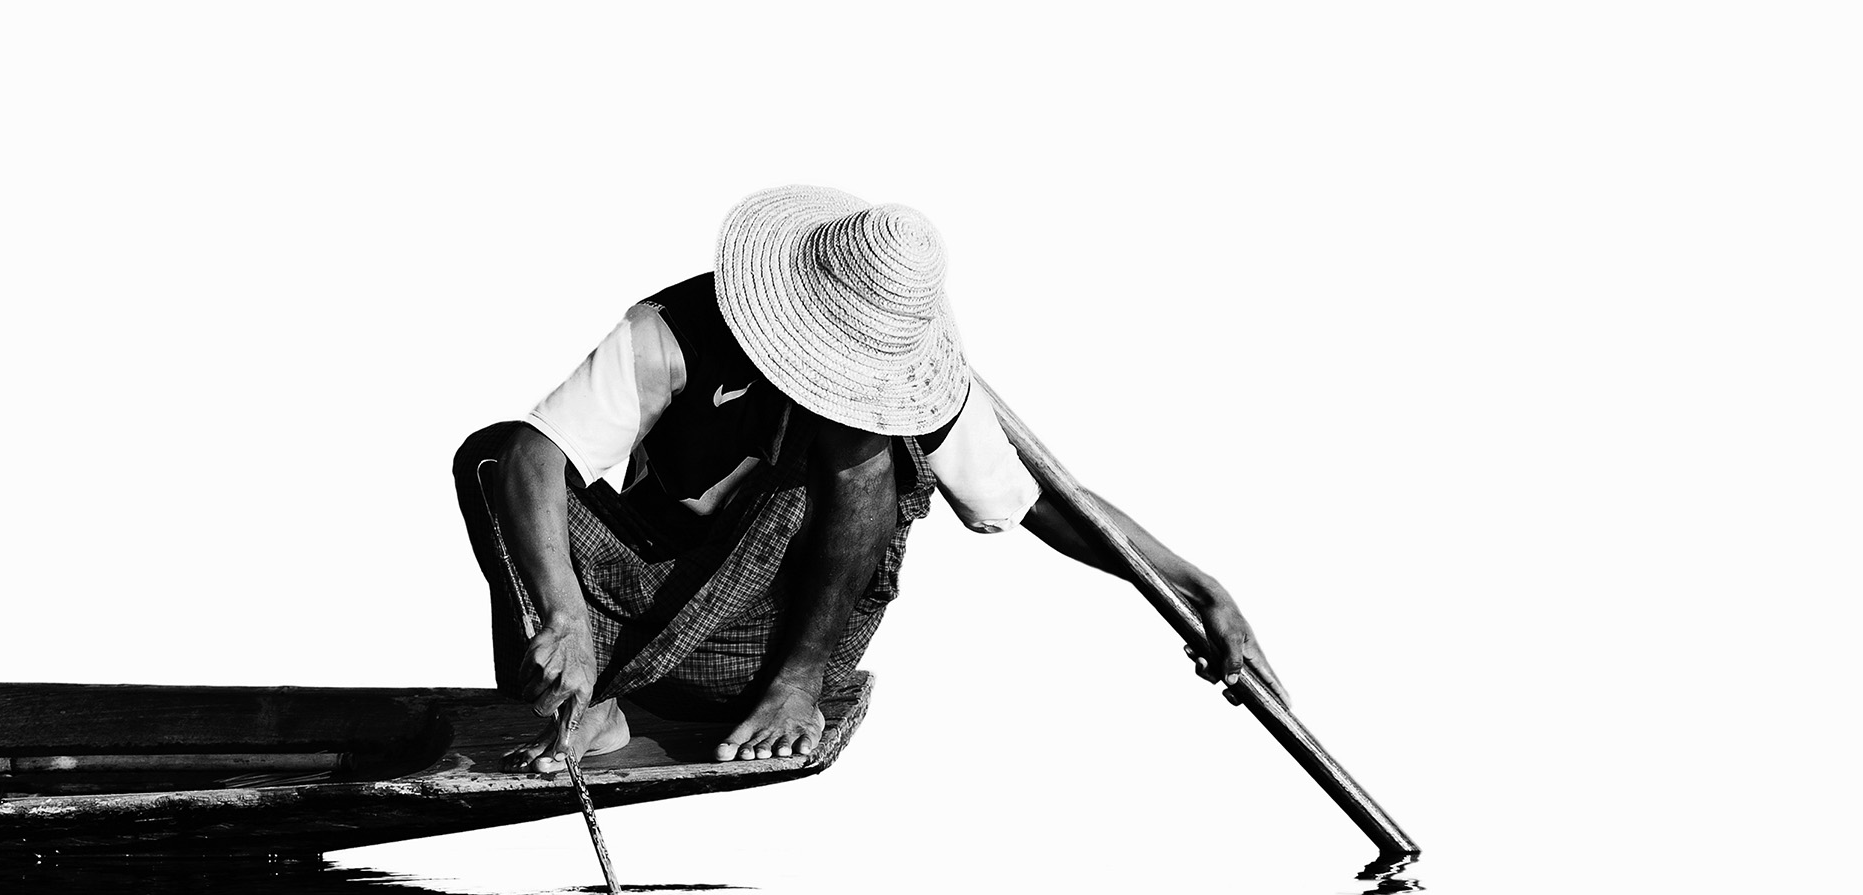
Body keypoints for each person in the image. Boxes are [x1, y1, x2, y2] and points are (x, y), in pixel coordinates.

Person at [454, 184, 1289, 773]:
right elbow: (537, 451)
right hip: (632, 618)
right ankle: (594, 702)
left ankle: (793, 690)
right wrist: (563, 616)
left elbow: (1042, 507)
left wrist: (1193, 586)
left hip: (771, 649)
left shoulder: (918, 388)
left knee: (868, 457)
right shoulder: (675, 331)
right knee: (490, 455)